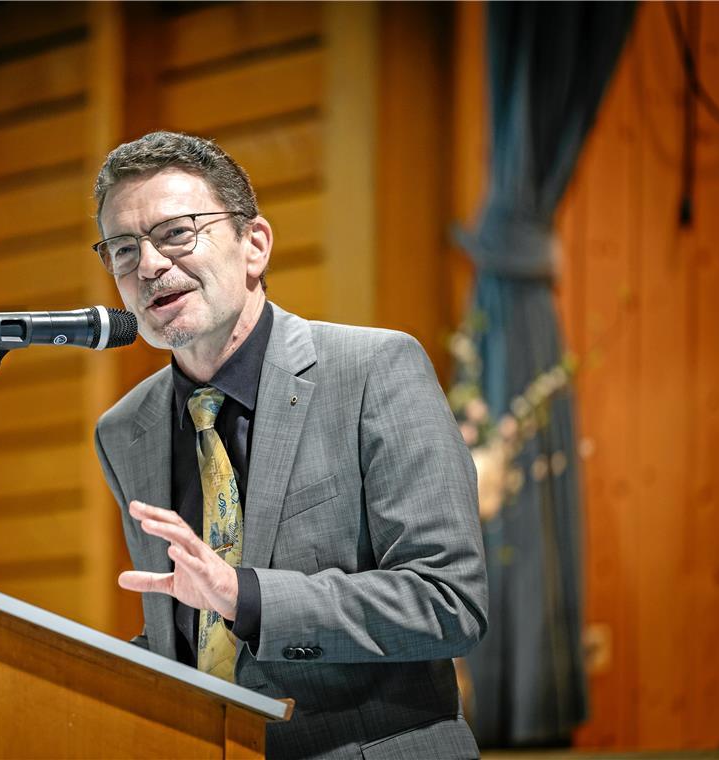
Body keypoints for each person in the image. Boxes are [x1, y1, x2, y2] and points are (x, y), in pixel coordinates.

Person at [92, 131, 488, 759]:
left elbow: (448, 602)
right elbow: (190, 638)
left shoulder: (374, 370)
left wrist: (246, 597)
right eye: (122, 249)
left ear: (254, 245)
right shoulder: (125, 429)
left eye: (176, 234)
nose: (148, 266)